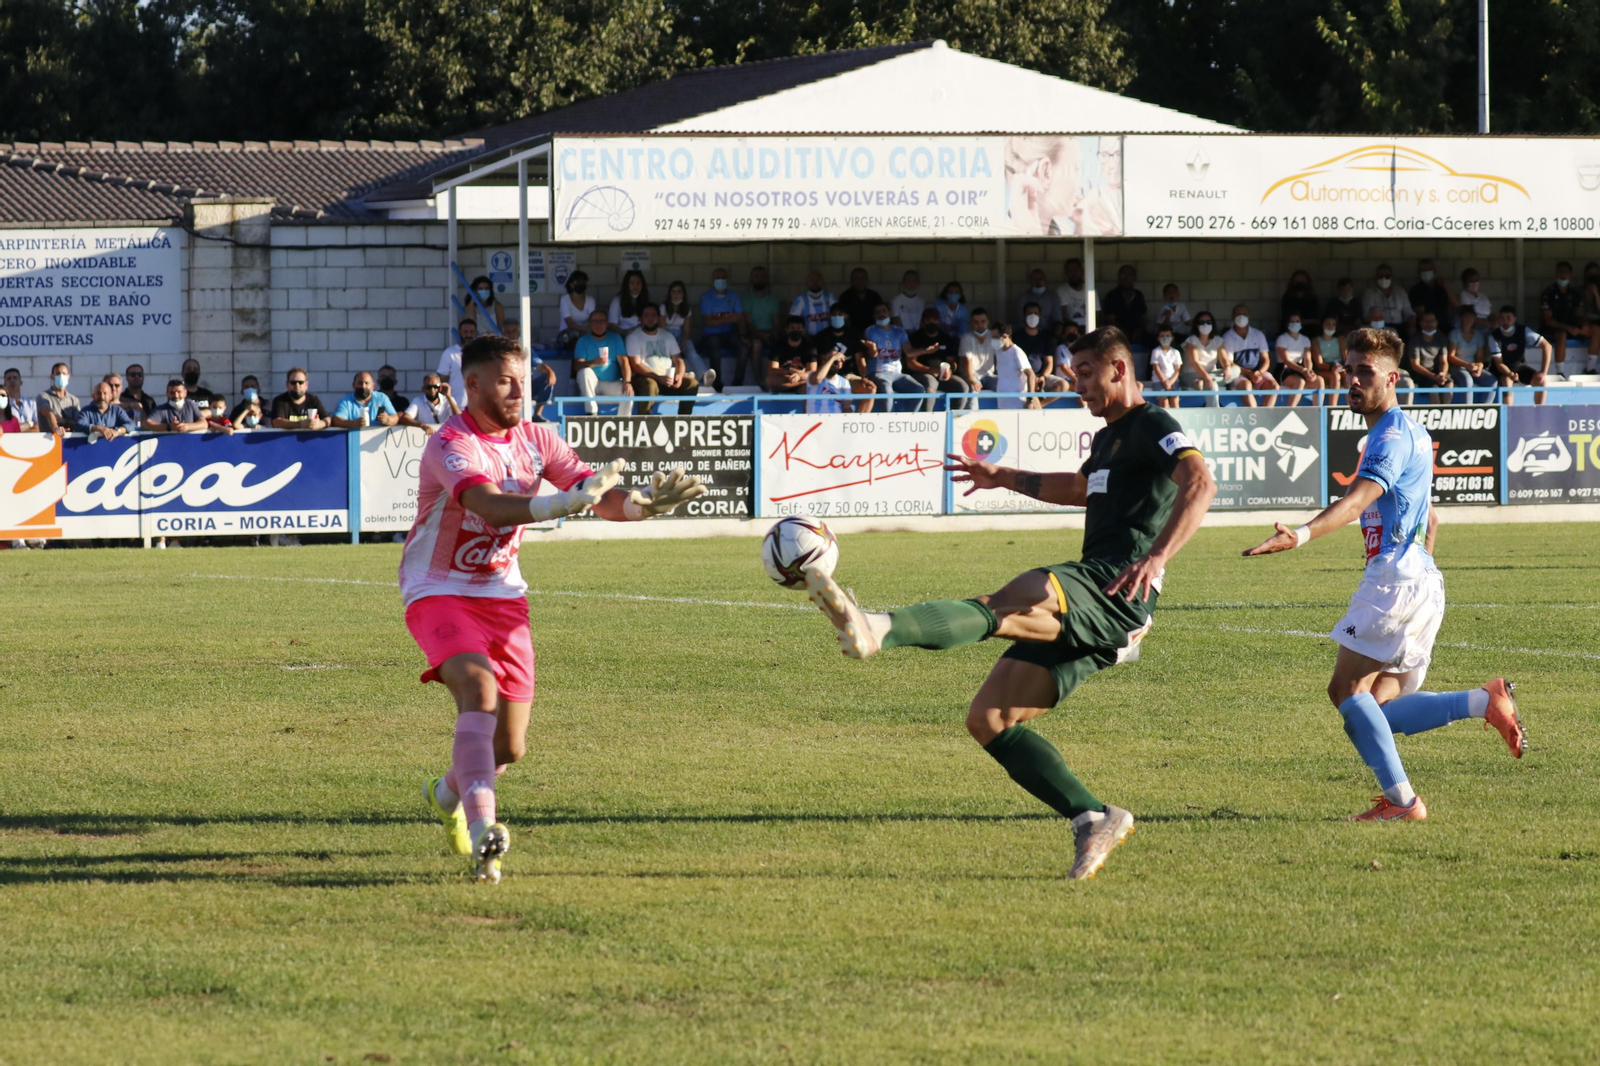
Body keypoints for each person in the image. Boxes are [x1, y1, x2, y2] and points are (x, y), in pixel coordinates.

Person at [800, 326, 1215, 880]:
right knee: (990, 718)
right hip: (1105, 599)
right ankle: (1093, 817)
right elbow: (1078, 488)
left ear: (1120, 369)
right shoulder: (1108, 439)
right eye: (1073, 372)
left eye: (1086, 371)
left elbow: (1200, 481)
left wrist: (1158, 557)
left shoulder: (1152, 423)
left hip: (1115, 587)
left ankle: (880, 627)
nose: (1077, 383)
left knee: (1018, 592)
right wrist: (1004, 477)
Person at [409, 333, 706, 882]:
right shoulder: (449, 443)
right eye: (505, 380)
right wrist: (554, 504)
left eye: (523, 378)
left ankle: (448, 792)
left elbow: (598, 496)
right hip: (438, 588)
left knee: (511, 746)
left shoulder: (540, 438)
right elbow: (488, 506)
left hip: (504, 596)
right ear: (469, 384)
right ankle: (483, 833)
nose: (520, 389)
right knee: (479, 690)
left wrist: (642, 506)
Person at [1243, 327, 1524, 822]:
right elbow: (1430, 519)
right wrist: (1409, 573)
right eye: (1348, 370)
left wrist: (1301, 536)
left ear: (1393, 378)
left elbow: (1356, 502)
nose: (1352, 380)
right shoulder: (1407, 433)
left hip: (1398, 580)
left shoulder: (1390, 436)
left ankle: (1403, 802)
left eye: (1364, 372)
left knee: (1345, 692)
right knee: (1380, 708)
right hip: (1421, 579)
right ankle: (1484, 701)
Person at [627, 304, 698, 416]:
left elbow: (678, 360)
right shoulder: (633, 337)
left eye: (653, 315)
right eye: (646, 315)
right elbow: (635, 364)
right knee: (650, 385)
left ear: (659, 318)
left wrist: (679, 375)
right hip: (645, 378)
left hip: (667, 379)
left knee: (692, 384)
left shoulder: (667, 336)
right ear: (640, 318)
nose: (650, 318)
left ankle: (684, 420)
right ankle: (644, 421)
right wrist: (658, 378)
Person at [860, 301, 927, 412]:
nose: (881, 314)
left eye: (884, 311)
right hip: (878, 373)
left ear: (890, 313)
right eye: (878, 312)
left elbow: (909, 352)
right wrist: (872, 348)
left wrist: (925, 351)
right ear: (874, 316)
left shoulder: (899, 331)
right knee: (887, 391)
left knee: (918, 389)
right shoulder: (871, 331)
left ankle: (909, 420)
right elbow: (873, 354)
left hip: (897, 374)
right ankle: (889, 422)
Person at [1488, 305, 1553, 405]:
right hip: (1503, 370)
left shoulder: (1523, 330)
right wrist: (1510, 373)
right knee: (1506, 380)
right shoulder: (1494, 336)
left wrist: (1543, 371)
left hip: (1519, 367)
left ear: (1514, 319)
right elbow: (1499, 364)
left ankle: (1540, 411)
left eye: (1508, 318)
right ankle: (1509, 414)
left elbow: (1547, 346)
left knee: (1542, 381)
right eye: (1502, 318)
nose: (1505, 321)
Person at [905, 307, 966, 411]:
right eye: (928, 320)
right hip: (922, 374)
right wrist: (929, 370)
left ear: (939, 321)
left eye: (935, 319)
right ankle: (928, 420)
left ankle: (955, 419)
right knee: (930, 384)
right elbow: (910, 363)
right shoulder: (915, 337)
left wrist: (950, 370)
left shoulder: (946, 338)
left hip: (942, 375)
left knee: (962, 386)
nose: (932, 322)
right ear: (923, 322)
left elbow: (952, 361)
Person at [574, 309, 632, 415]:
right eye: (595, 321)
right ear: (590, 324)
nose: (598, 324)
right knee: (584, 372)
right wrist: (593, 362)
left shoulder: (615, 338)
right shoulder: (583, 341)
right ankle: (591, 412)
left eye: (601, 321)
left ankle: (624, 423)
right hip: (593, 384)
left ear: (606, 323)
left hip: (612, 382)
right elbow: (577, 365)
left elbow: (624, 362)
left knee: (628, 392)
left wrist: (627, 382)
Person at [1540, 260, 1594, 366]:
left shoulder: (1575, 293)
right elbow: (1548, 320)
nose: (1563, 275)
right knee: (1562, 334)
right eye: (1560, 272)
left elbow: (1579, 314)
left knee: (1596, 330)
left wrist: (1584, 325)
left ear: (1570, 275)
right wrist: (1568, 328)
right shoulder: (1549, 292)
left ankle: (1591, 367)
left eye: (1566, 272)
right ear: (1556, 274)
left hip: (1572, 328)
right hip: (1552, 329)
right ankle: (1560, 373)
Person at [698, 267, 745, 388]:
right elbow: (708, 322)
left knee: (744, 347)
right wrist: (730, 318)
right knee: (714, 346)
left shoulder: (733, 295)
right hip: (710, 335)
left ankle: (738, 383)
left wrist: (742, 335)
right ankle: (717, 382)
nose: (720, 280)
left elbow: (739, 317)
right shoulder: (706, 297)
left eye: (723, 277)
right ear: (713, 279)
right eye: (717, 277)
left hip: (729, 335)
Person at [1221, 306, 1277, 407]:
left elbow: (1266, 360)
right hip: (1238, 374)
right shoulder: (1227, 337)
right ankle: (1254, 417)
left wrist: (1259, 373)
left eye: (1245, 314)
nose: (1241, 317)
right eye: (1238, 314)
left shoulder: (1258, 334)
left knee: (1274, 386)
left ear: (1249, 316)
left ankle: (1264, 416)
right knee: (1247, 386)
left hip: (1257, 373)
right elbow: (1229, 362)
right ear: (1232, 316)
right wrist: (1250, 374)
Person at [503, 320, 555, 422]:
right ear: (503, 333)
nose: (511, 335)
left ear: (518, 333)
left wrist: (550, 371)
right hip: (506, 388)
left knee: (547, 378)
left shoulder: (525, 348)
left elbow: (539, 364)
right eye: (508, 332)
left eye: (514, 331)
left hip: (525, 387)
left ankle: (537, 415)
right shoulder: (498, 350)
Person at [660, 281, 709, 386]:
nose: (676, 295)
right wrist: (674, 343)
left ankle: (704, 375)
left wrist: (683, 341)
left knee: (691, 350)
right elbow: (662, 328)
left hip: (680, 335)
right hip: (666, 336)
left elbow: (686, 330)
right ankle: (682, 376)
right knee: (671, 356)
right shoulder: (664, 307)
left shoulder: (686, 309)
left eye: (679, 292)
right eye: (673, 292)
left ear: (683, 294)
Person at [1447, 305, 1499, 403]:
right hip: (1457, 367)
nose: (1468, 319)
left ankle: (1484, 411)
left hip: (1472, 367)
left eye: (1471, 316)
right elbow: (1451, 356)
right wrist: (1467, 365)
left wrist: (1479, 367)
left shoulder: (1478, 335)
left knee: (1491, 380)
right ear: (1462, 317)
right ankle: (1468, 411)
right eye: (1466, 316)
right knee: (1467, 381)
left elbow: (1480, 357)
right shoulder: (1455, 333)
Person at [765, 314, 815, 412]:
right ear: (787, 330)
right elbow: (772, 370)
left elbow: (812, 371)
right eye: (792, 328)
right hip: (784, 380)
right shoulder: (778, 345)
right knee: (769, 380)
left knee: (811, 383)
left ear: (803, 330)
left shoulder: (809, 346)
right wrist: (789, 372)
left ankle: (807, 415)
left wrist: (799, 377)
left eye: (798, 328)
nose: (795, 330)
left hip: (801, 382)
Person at [806, 344, 874, 414]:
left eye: (836, 362)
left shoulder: (844, 383)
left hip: (836, 421)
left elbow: (846, 407)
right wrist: (833, 358)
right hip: (816, 421)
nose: (832, 364)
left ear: (841, 365)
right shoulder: (813, 375)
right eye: (829, 360)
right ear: (824, 361)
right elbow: (817, 379)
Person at [1405, 311, 1452, 404]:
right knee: (1433, 386)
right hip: (1421, 373)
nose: (1429, 323)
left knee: (1449, 382)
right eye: (1426, 321)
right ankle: (1437, 413)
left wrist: (1442, 374)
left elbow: (1444, 361)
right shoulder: (1415, 339)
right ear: (1421, 323)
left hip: (1436, 372)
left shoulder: (1441, 337)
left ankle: (1446, 411)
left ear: (1436, 322)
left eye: (1432, 320)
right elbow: (1415, 365)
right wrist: (1433, 376)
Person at [1274, 313, 1320, 406]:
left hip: (1300, 369)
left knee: (1319, 381)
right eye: (1292, 321)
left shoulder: (1305, 339)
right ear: (1287, 323)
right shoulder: (1282, 338)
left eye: (1297, 321)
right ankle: (1290, 410)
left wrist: (1309, 370)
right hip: (1284, 370)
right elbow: (1287, 360)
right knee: (1299, 382)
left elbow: (1307, 358)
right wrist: (1303, 370)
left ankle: (1317, 410)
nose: (1295, 323)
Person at [1180, 312, 1226, 399]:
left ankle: (1203, 381)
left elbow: (1224, 360)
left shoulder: (1218, 340)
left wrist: (1227, 367)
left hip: (1211, 374)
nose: (1205, 324)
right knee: (1212, 386)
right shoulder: (1191, 340)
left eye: (1209, 322)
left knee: (1235, 370)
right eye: (1202, 322)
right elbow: (1194, 362)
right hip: (1191, 374)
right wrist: (1206, 377)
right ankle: (1214, 411)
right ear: (1196, 325)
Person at [331, 371, 401, 428]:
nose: (363, 386)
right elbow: (336, 420)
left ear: (373, 386)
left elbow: (395, 417)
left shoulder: (382, 398)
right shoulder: (346, 401)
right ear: (354, 385)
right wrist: (353, 424)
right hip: (354, 441)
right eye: (360, 383)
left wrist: (387, 419)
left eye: (366, 383)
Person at [959, 308, 1004, 395]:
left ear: (988, 322)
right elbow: (966, 361)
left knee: (1002, 385)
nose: (980, 324)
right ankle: (972, 409)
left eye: (983, 321)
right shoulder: (966, 338)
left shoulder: (993, 336)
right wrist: (971, 379)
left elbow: (1003, 356)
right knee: (973, 389)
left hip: (988, 375)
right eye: (976, 322)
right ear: (971, 323)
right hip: (971, 375)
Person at [743, 266, 779, 373]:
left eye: (763, 276)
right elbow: (748, 323)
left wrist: (774, 334)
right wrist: (763, 336)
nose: (760, 279)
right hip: (752, 334)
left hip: (768, 332)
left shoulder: (773, 300)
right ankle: (759, 382)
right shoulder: (746, 298)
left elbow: (776, 322)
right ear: (751, 279)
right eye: (757, 276)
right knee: (757, 344)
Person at [992, 324, 1037, 410]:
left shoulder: (1016, 352)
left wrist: (1030, 399)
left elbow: (1031, 374)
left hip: (1018, 404)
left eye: (995, 337)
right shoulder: (998, 352)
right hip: (1002, 404)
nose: (993, 340)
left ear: (1005, 336)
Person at [143, 379, 210, 433]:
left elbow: (204, 424)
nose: (176, 396)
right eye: (172, 393)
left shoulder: (190, 405)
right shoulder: (161, 409)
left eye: (179, 392)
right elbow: (146, 424)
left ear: (185, 393)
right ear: (167, 394)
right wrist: (169, 427)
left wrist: (186, 426)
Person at [1101, 265, 1147, 342]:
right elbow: (1110, 320)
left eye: (1130, 274)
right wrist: (1122, 332)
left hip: (1136, 333)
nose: (1127, 277)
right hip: (1117, 334)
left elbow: (1143, 317)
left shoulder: (1139, 295)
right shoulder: (1112, 295)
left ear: (1134, 277)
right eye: (1123, 274)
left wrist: (1139, 330)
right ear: (1119, 277)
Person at [35, 362, 81, 434]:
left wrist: (64, 421)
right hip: (49, 441)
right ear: (52, 376)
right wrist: (56, 428)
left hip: (69, 441)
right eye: (58, 374)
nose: (61, 376)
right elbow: (48, 413)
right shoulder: (43, 396)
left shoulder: (74, 400)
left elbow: (78, 423)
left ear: (68, 376)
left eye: (64, 373)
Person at [1408, 259, 1455, 328]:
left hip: (1444, 326)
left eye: (1429, 269)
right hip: (1427, 328)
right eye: (1423, 271)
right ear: (1419, 273)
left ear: (1434, 271)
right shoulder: (1416, 290)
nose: (1426, 272)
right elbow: (1420, 314)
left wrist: (1446, 287)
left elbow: (1455, 305)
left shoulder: (1441, 287)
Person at [1362, 264, 1411, 330]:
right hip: (1379, 328)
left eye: (1387, 276)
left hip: (1400, 327)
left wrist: (1411, 326)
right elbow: (1366, 316)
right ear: (1376, 277)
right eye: (1380, 276)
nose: (1384, 279)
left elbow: (1409, 312)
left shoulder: (1400, 292)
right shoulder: (1369, 294)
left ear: (1392, 277)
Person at [1055, 257, 1099, 331]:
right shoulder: (1062, 290)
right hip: (1071, 330)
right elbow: (1064, 317)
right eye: (1070, 271)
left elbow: (1097, 315)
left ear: (1082, 271)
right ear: (1066, 273)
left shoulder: (1090, 289)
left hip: (1089, 330)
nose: (1073, 274)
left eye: (1076, 270)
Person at [437, 318, 477, 400]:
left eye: (471, 332)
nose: (469, 335)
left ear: (476, 333)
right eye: (465, 332)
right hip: (455, 405)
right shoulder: (449, 353)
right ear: (460, 333)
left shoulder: (482, 353)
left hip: (478, 406)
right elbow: (442, 381)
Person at [789, 271, 836, 336]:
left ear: (823, 282)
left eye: (818, 280)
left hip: (828, 338)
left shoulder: (830, 298)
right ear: (807, 282)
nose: (815, 283)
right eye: (812, 280)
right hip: (807, 339)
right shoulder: (800, 300)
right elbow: (792, 320)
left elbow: (839, 316)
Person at [1311, 314, 1348, 396]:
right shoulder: (1316, 341)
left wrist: (1345, 367)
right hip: (1324, 369)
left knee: (1347, 375)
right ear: (1322, 325)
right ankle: (1332, 407)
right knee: (1335, 376)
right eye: (1328, 324)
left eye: (1333, 324)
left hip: (1339, 367)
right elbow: (1319, 364)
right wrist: (1332, 368)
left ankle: (1351, 405)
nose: (1331, 327)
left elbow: (1346, 358)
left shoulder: (1341, 339)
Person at [558, 271, 594, 347]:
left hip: (585, 333)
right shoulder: (564, 300)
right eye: (578, 282)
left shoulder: (590, 300)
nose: (581, 283)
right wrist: (587, 330)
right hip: (567, 333)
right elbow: (570, 324)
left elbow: (592, 320)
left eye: (583, 281)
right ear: (571, 285)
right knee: (573, 341)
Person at [608, 269, 651, 334]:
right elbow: (612, 325)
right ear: (627, 285)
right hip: (623, 335)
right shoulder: (617, 300)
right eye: (632, 283)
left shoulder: (645, 299)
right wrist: (625, 333)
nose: (635, 286)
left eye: (638, 283)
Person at [1149, 326, 1181, 407]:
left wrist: (1170, 382)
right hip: (1158, 381)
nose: (1165, 338)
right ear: (1158, 338)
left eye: (1167, 336)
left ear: (1172, 338)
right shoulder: (1155, 351)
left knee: (1175, 400)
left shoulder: (1176, 352)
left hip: (1173, 381)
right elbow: (1156, 368)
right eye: (1162, 336)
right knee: (1164, 402)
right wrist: (1165, 382)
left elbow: (1178, 370)